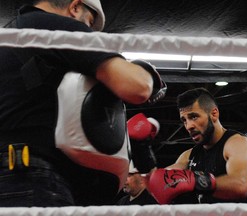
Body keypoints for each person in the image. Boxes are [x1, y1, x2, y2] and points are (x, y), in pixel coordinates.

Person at [0, 0, 165, 207]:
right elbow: (137, 87)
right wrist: (146, 72)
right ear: (75, 7)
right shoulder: (60, 27)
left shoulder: (7, 37)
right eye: (88, 23)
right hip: (34, 181)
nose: (86, 31)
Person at [133, 88, 247, 204]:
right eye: (184, 120)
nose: (189, 126)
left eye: (193, 117)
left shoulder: (237, 143)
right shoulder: (189, 156)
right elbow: (156, 182)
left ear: (214, 114)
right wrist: (142, 149)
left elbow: (240, 185)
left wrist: (196, 181)